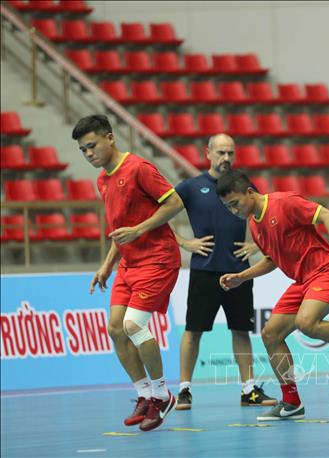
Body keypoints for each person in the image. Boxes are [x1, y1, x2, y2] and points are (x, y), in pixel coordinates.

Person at [215, 170, 329, 421]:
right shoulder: (253, 222)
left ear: (249, 192)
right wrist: (242, 277)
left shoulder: (283, 203)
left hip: (327, 270)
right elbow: (272, 260)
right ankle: (291, 402)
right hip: (302, 280)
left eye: (235, 203)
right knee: (271, 334)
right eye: (228, 207)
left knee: (306, 322)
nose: (233, 211)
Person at [73, 115, 184, 431]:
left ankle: (163, 395)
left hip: (158, 259)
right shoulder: (102, 180)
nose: (89, 153)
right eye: (83, 150)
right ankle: (144, 394)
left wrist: (140, 230)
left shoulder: (138, 168)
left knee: (133, 324)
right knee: (115, 328)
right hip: (128, 263)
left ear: (110, 137)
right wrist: (107, 263)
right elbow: (118, 230)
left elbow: (175, 203)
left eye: (92, 145)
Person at [173, 133, 276, 410]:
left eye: (230, 153)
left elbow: (267, 214)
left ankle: (248, 390)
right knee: (193, 330)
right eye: (220, 153)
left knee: (241, 330)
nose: (226, 158)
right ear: (208, 153)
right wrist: (184, 242)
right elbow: (157, 215)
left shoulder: (244, 185)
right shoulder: (192, 187)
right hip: (204, 272)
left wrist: (256, 244)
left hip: (239, 272)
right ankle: (184, 391)